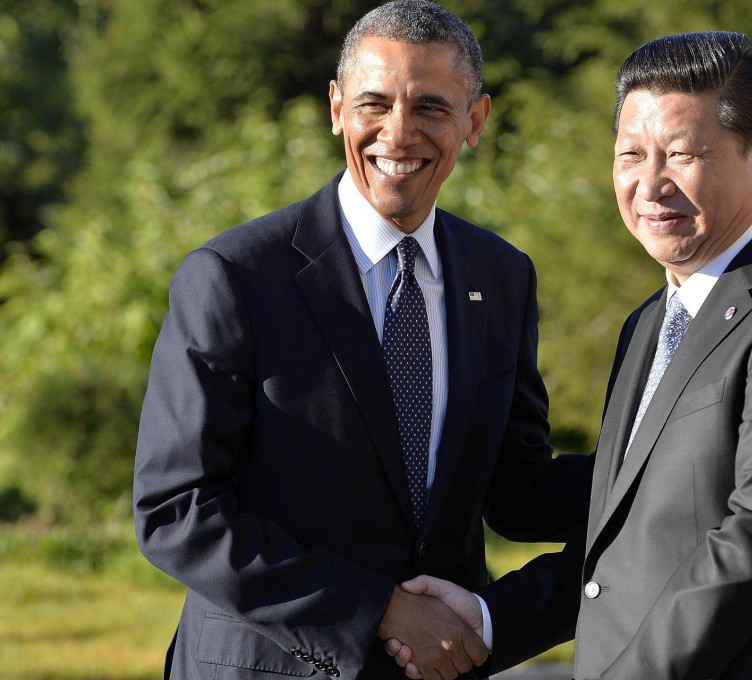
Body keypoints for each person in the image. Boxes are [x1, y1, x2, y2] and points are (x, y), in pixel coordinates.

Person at [388, 31, 752, 680]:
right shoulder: (651, 322)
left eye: (682, 154)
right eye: (631, 155)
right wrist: (490, 620)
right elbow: (632, 532)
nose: (650, 183)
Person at [132, 2, 591, 679]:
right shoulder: (235, 277)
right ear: (337, 107)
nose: (399, 134)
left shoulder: (501, 276)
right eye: (375, 103)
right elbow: (177, 511)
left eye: (432, 108)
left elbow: (516, 489)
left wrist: (663, 470)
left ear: (476, 121)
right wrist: (374, 608)